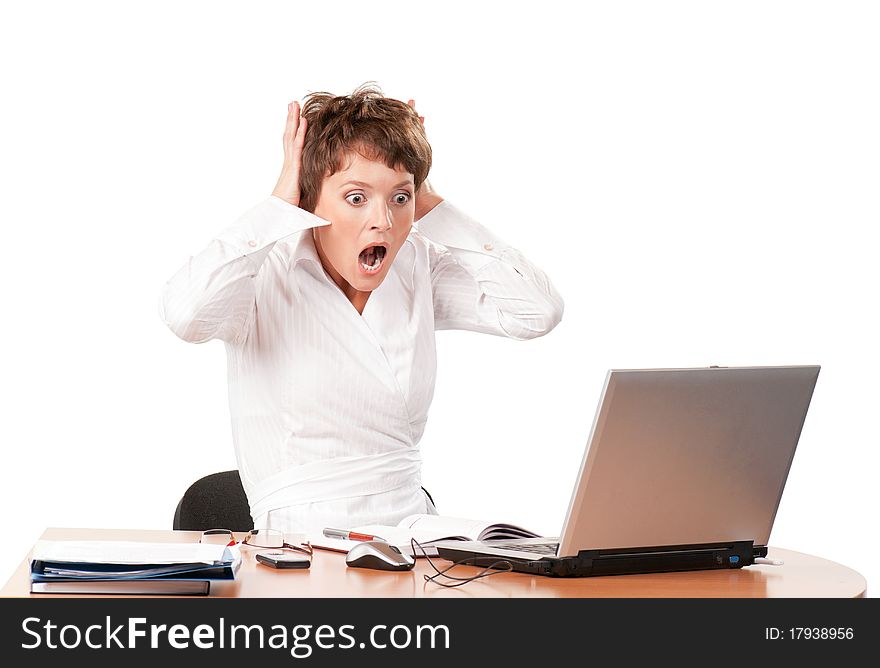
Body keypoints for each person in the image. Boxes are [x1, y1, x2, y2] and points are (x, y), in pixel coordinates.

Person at [159, 83, 563, 538]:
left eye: (399, 198)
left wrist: (432, 204)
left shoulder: (417, 264)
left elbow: (536, 312)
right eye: (356, 198)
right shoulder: (260, 276)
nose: (383, 221)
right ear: (310, 199)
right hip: (296, 551)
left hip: (414, 544)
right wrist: (276, 208)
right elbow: (184, 314)